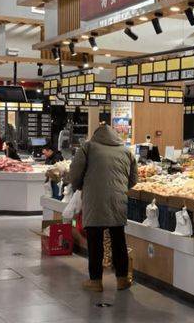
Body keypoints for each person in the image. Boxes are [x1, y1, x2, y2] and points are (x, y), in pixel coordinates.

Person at [68, 124, 138, 292]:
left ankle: (95, 281)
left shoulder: (88, 147)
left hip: (94, 199)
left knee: (95, 241)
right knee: (118, 240)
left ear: (95, 135)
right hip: (118, 200)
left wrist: (79, 186)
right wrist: (120, 188)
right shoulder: (126, 151)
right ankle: (122, 279)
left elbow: (75, 173)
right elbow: (134, 179)